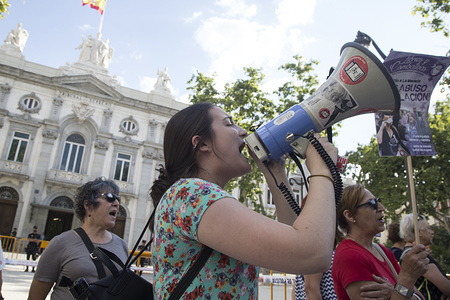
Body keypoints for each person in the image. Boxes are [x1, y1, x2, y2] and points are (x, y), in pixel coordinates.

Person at [150, 102, 338, 299]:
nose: (242, 131)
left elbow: (292, 237)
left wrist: (275, 171)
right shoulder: (191, 194)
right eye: (229, 124)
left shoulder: (194, 197)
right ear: (202, 144)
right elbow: (312, 253)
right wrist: (322, 170)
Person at [28, 177, 129, 300]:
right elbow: (36, 296)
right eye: (110, 197)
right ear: (88, 205)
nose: (116, 203)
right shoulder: (60, 243)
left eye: (117, 199)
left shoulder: (122, 245)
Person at [332, 184, 430, 300]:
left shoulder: (383, 252)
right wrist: (407, 277)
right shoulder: (350, 256)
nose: (382, 207)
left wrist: (395, 291)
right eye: (372, 204)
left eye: (378, 201)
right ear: (350, 215)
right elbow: (407, 292)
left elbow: (418, 297)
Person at [399, 214, 450, 300]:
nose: (432, 232)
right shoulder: (417, 256)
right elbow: (446, 287)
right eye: (429, 228)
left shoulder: (408, 253)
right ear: (419, 232)